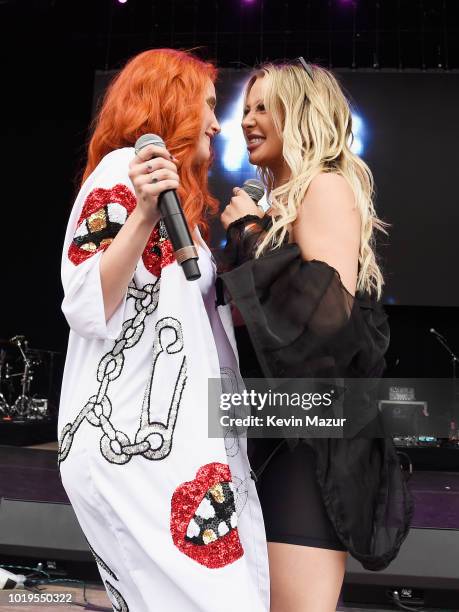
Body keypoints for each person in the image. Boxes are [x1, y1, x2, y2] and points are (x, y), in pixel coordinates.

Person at [58, 49, 269, 612]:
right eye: (205, 105)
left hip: (183, 452)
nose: (217, 123)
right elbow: (83, 300)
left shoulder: (179, 206)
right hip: (137, 449)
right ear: (169, 105)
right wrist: (145, 216)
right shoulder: (121, 173)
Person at [219, 59, 413, 612]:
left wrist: (252, 235)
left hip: (305, 442)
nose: (247, 120)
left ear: (299, 115)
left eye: (264, 107)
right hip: (260, 426)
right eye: (245, 108)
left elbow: (328, 322)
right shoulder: (273, 202)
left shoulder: (323, 189)